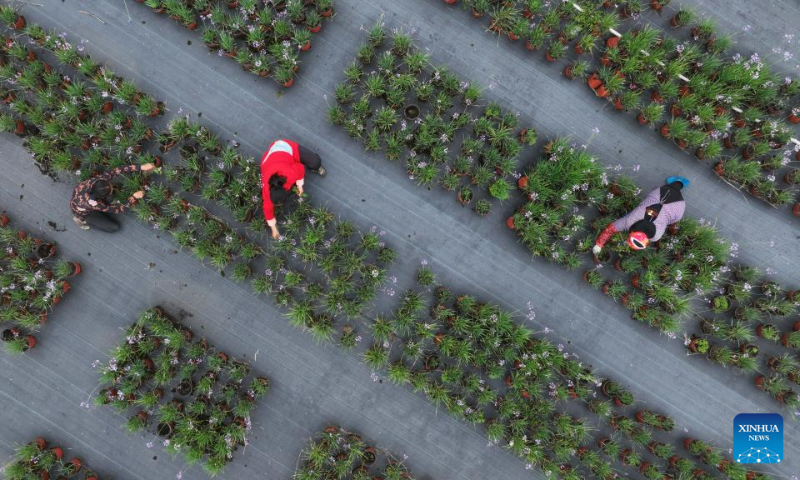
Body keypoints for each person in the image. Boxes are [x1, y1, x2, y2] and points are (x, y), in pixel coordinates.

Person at [593, 176, 689, 254]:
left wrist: (599, 245)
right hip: (675, 204)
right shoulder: (628, 222)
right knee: (670, 217)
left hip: (663, 196)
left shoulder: (655, 235)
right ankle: (678, 182)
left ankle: (679, 182)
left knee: (664, 200)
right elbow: (610, 230)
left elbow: (609, 230)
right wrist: (598, 245)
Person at [260, 139, 326, 239]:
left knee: (315, 162)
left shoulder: (289, 175)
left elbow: (299, 168)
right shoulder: (267, 190)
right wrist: (274, 229)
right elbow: (267, 208)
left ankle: (315, 166)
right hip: (271, 161)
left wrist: (300, 185)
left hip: (285, 148)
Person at [71, 162, 157, 231]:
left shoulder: (94, 181)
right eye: (110, 189)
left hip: (81, 200)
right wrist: (134, 197)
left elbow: (117, 170)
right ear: (101, 197)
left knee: (111, 198)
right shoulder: (97, 204)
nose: (111, 185)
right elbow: (120, 209)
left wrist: (141, 167)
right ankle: (82, 221)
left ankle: (104, 203)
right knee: (114, 227)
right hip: (84, 212)